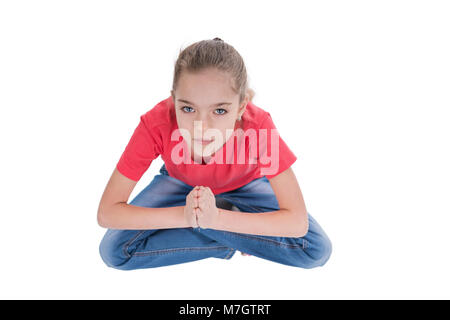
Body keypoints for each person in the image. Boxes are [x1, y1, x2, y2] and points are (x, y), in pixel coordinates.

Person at [97, 37, 332, 270]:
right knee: (115, 251)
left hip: (245, 185)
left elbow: (297, 222)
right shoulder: (156, 123)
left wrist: (217, 219)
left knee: (315, 250)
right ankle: (237, 237)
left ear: (241, 106)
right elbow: (108, 212)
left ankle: (226, 216)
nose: (202, 125)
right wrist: (186, 216)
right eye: (188, 108)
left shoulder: (258, 126)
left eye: (220, 110)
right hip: (179, 183)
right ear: (173, 99)